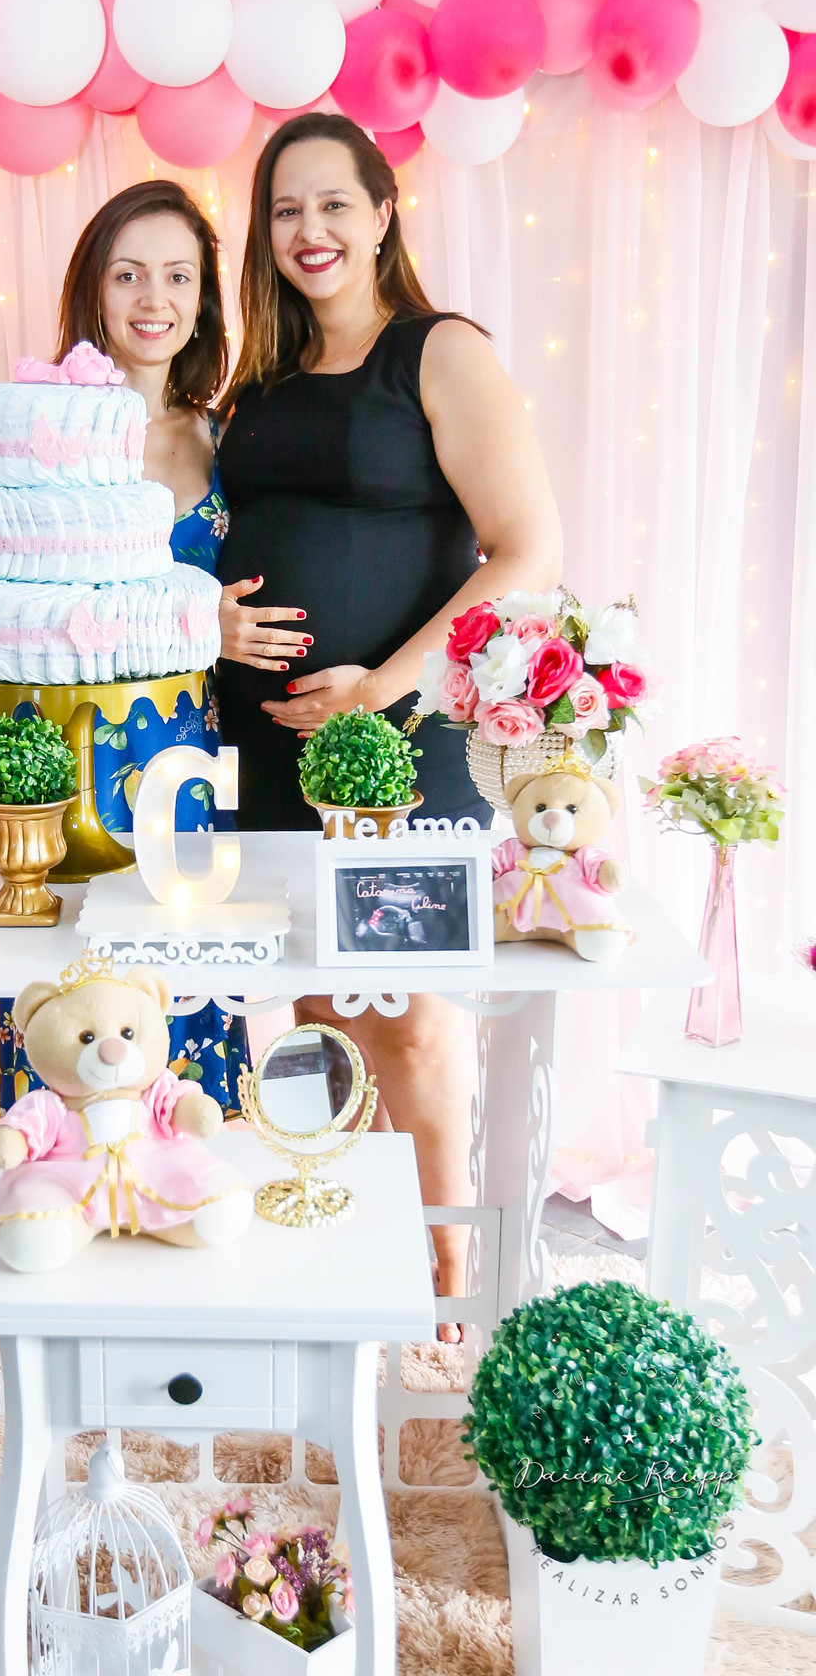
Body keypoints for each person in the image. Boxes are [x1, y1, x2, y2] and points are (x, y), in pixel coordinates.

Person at [216, 115, 563, 1339]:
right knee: (320, 1011)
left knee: (410, 1018)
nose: (308, 231)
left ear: (382, 213)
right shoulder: (259, 383)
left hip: (403, 746)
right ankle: (360, 1265)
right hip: (271, 749)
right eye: (284, 210)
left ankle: (449, 1281)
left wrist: (384, 689)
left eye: (332, 204)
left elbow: (525, 551)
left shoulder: (438, 350)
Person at [0, 180, 307, 1117]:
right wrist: (192, 623)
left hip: (186, 754)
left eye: (178, 276)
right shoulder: (44, 431)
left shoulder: (224, 433)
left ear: (204, 298)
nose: (153, 299)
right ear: (93, 288)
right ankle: (53, 1175)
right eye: (128, 274)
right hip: (74, 743)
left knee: (185, 983)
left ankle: (190, 1177)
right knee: (73, 994)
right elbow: (28, 607)